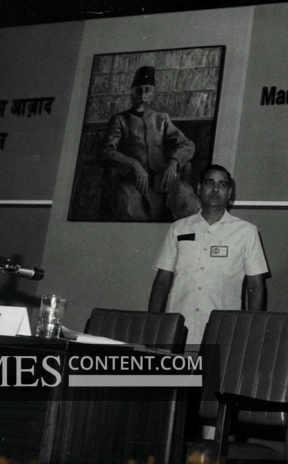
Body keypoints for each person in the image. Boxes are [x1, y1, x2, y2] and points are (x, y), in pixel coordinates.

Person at [149, 164, 268, 345]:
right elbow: (163, 279)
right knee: (174, 374)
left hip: (223, 332)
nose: (215, 189)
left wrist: (254, 327)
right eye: (209, 183)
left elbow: (256, 286)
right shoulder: (178, 228)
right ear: (198, 188)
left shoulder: (247, 232)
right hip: (177, 330)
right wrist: (152, 322)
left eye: (222, 185)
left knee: (213, 374)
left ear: (230, 193)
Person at [100, 65, 201, 221]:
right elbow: (106, 151)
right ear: (131, 93)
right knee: (127, 207)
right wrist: (133, 164)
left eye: (147, 90)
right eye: (138, 90)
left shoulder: (161, 119)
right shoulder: (119, 119)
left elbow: (187, 145)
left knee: (191, 205)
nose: (143, 95)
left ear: (153, 94)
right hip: (133, 182)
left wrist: (174, 162)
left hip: (163, 182)